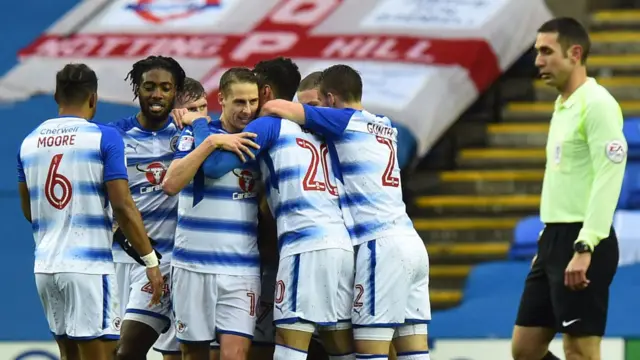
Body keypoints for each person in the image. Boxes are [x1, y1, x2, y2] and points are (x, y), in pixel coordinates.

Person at [184, 58, 356, 360]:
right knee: (341, 342)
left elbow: (212, 167)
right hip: (342, 245)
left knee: (289, 343)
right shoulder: (329, 129)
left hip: (303, 244)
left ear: (264, 92)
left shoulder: (269, 125)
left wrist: (200, 123)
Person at [259, 64, 430, 360]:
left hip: (379, 244)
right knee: (413, 352)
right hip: (411, 241)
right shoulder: (385, 124)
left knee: (369, 351)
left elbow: (274, 105)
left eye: (320, 103)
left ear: (332, 99)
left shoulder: (344, 121)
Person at [17, 63, 163, 360]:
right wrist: (149, 260)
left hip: (45, 267)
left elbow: (29, 211)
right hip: (88, 268)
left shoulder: (29, 142)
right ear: (93, 98)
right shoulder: (103, 137)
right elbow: (122, 204)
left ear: (57, 95)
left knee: (68, 354)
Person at [511, 17, 625, 360]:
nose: (538, 61)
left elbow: (609, 176)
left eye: (547, 51)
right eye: (537, 52)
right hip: (553, 241)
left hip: (585, 239)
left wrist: (585, 244)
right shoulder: (562, 106)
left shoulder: (598, 104)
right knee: (526, 348)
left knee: (579, 349)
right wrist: (547, 241)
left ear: (575, 53)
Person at [163, 67, 262, 360]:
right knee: (194, 354)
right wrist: (210, 141)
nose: (247, 110)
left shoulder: (260, 137)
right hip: (193, 266)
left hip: (241, 268)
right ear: (222, 99)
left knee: (235, 355)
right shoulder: (196, 133)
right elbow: (170, 184)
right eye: (239, 102)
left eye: (253, 102)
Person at [109, 55, 186, 360]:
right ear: (136, 89)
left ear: (176, 92)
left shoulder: (187, 135)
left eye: (165, 88)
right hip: (117, 257)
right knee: (109, 351)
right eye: (149, 86)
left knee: (128, 351)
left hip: (162, 262)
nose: (157, 94)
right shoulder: (112, 135)